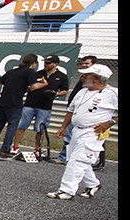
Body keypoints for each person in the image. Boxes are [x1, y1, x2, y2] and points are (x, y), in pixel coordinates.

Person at [47, 63, 117, 200]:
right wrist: (63, 127)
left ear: (96, 78)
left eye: (86, 75)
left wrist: (109, 123)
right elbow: (71, 110)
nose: (82, 77)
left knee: (78, 161)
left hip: (93, 132)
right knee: (74, 158)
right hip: (77, 130)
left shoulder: (112, 93)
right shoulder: (82, 91)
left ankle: (66, 191)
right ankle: (93, 184)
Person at [0, 53, 46, 156]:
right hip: (15, 103)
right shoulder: (30, 72)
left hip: (3, 102)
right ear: (34, 63)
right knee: (12, 126)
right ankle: (5, 149)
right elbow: (33, 87)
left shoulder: (11, 72)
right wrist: (44, 84)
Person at [11, 55, 70, 152]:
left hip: (45, 106)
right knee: (22, 126)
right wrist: (32, 87)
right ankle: (15, 146)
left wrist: (56, 94)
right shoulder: (37, 73)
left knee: (40, 129)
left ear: (56, 64)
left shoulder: (62, 76)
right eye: (44, 62)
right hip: (30, 103)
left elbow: (65, 90)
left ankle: (37, 149)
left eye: (48, 63)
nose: (45, 64)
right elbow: (28, 86)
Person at [50, 55, 98, 164]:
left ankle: (67, 157)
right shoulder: (83, 78)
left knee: (73, 137)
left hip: (85, 115)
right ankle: (66, 157)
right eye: (83, 63)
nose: (84, 65)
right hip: (74, 112)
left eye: (87, 63)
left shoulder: (94, 82)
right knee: (69, 135)